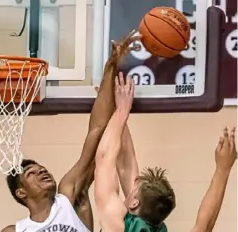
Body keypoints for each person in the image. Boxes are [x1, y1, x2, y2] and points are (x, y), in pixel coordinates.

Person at [1, 30, 141, 232]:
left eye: (41, 168)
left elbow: (96, 131)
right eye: (31, 173)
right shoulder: (15, 230)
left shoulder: (68, 197)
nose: (42, 171)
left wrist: (112, 65)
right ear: (21, 193)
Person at [94, 72, 237, 232]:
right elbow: (204, 225)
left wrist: (121, 111)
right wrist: (223, 169)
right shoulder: (145, 224)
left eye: (134, 189)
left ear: (135, 203)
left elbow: (104, 157)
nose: (132, 184)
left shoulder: (118, 225)